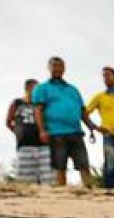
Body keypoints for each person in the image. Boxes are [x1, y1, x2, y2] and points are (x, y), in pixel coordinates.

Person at [33, 57, 97, 187]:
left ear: (64, 68)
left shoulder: (73, 89)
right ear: (49, 68)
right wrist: (42, 130)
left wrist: (91, 126)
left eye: (60, 66)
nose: (57, 68)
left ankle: (90, 191)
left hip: (75, 131)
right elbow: (38, 111)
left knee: (84, 164)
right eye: (54, 66)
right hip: (56, 132)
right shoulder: (42, 88)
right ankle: (62, 193)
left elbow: (82, 111)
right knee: (60, 165)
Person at [6, 79, 52, 184]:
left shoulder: (43, 105)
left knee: (48, 178)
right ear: (27, 89)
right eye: (34, 88)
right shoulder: (17, 103)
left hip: (43, 145)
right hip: (25, 145)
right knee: (25, 180)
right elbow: (8, 122)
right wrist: (18, 132)